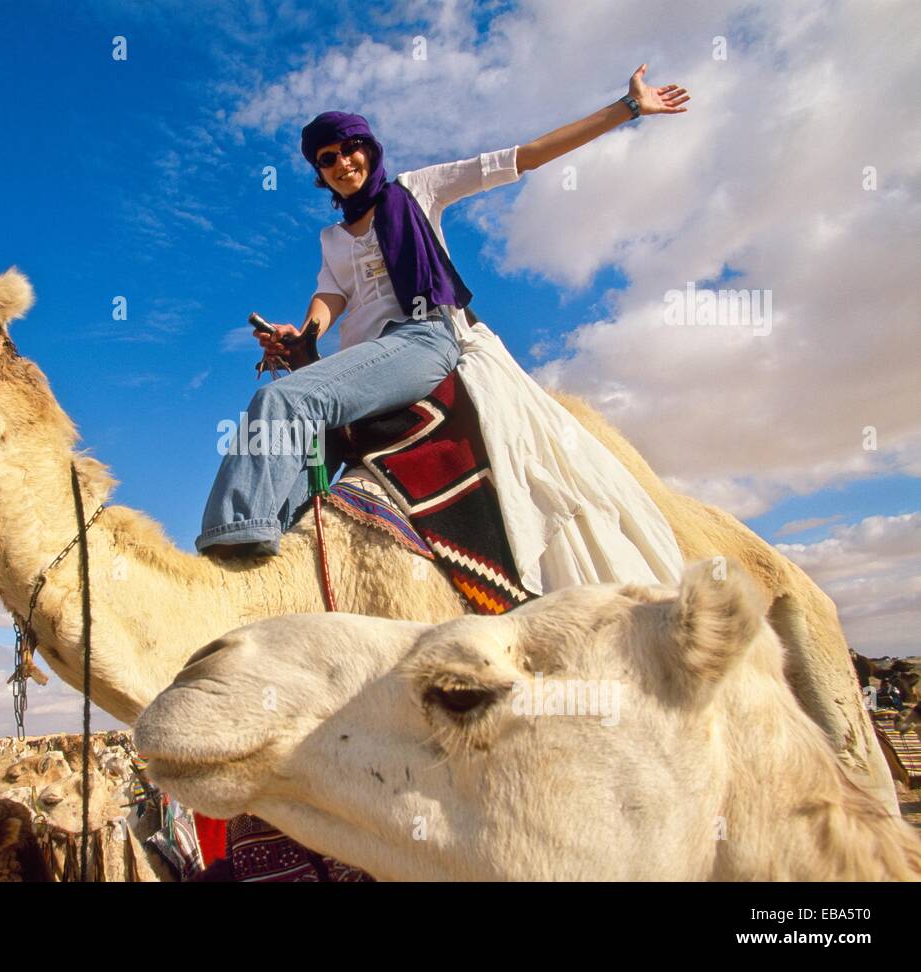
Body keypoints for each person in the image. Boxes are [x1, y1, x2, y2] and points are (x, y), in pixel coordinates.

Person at [194, 67, 689, 595]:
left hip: (422, 338)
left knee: (284, 404)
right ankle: (263, 575)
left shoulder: (417, 190)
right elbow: (331, 297)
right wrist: (303, 336)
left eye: (349, 148)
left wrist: (627, 109)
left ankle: (224, 555)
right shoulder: (332, 239)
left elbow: (523, 156)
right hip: (369, 356)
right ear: (320, 172)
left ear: (369, 148)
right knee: (292, 447)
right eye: (327, 159)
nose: (342, 163)